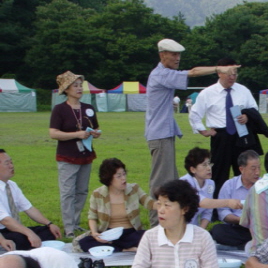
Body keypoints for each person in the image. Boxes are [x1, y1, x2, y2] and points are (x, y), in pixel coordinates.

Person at [145, 39, 239, 225]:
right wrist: (219, 68)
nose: (177, 58)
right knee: (161, 181)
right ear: (162, 55)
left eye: (179, 54)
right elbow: (194, 72)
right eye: (173, 54)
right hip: (160, 135)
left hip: (164, 134)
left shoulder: (164, 73)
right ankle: (157, 224)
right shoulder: (161, 74)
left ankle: (166, 220)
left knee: (169, 180)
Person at [189, 57, 259, 196]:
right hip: (220, 136)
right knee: (219, 172)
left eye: (235, 74)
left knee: (244, 171)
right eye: (229, 73)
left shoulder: (243, 90)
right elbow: (195, 113)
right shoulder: (208, 93)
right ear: (219, 73)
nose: (232, 77)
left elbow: (254, 109)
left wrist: (248, 117)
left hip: (241, 135)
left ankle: (247, 203)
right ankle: (217, 207)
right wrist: (203, 131)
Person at [50, 71, 101, 238]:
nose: (79, 88)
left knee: (81, 191)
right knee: (67, 193)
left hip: (85, 154)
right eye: (75, 85)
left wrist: (94, 133)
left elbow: (95, 127)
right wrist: (76, 135)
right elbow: (54, 133)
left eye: (81, 85)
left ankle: (76, 222)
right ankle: (69, 227)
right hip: (67, 156)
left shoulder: (88, 108)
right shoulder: (60, 109)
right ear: (66, 89)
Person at [74, 158, 154, 253]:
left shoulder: (134, 189)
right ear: (109, 178)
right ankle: (124, 249)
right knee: (84, 242)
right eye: (118, 176)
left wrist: (164, 204)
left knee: (148, 236)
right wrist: (95, 233)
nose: (123, 178)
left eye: (124, 174)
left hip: (131, 233)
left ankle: (113, 248)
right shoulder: (97, 194)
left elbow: (150, 203)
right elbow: (92, 217)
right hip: (108, 234)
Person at [0, 149, 62, 250]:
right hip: (3, 232)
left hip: (15, 228)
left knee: (48, 232)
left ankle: (31, 243)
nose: (11, 166)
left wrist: (49, 223)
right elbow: (6, 221)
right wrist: (29, 233)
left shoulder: (12, 185)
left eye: (11, 162)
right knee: (20, 239)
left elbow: (29, 208)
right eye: (7, 163)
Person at [179, 147, 242, 228]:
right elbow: (200, 202)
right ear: (193, 169)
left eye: (209, 163)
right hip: (178, 227)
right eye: (204, 165)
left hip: (193, 228)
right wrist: (228, 202)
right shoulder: (184, 182)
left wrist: (201, 231)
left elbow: (208, 211)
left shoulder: (210, 183)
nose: (209, 168)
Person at [210, 150, 261, 248]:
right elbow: (223, 212)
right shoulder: (229, 185)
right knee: (218, 230)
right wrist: (241, 220)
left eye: (259, 168)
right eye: (253, 169)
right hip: (237, 226)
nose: (257, 172)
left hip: (259, 227)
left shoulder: (264, 185)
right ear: (242, 169)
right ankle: (248, 244)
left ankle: (245, 245)